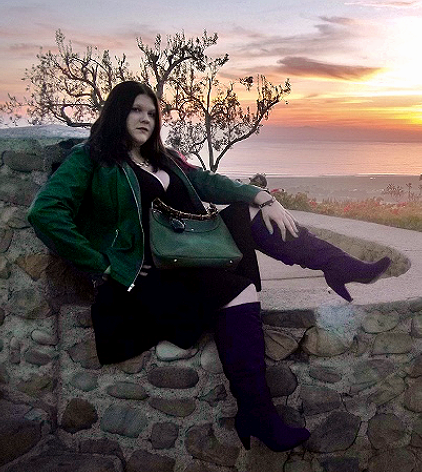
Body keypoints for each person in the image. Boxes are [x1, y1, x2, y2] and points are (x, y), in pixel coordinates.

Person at [27, 81, 390, 452]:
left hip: (186, 258)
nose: (145, 119)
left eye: (152, 113)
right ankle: (256, 413)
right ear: (117, 111)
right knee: (238, 291)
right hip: (141, 278)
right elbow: (45, 213)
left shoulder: (162, 158)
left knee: (251, 212)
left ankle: (337, 265)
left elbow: (205, 181)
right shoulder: (91, 159)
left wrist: (260, 195)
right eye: (137, 110)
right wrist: (106, 266)